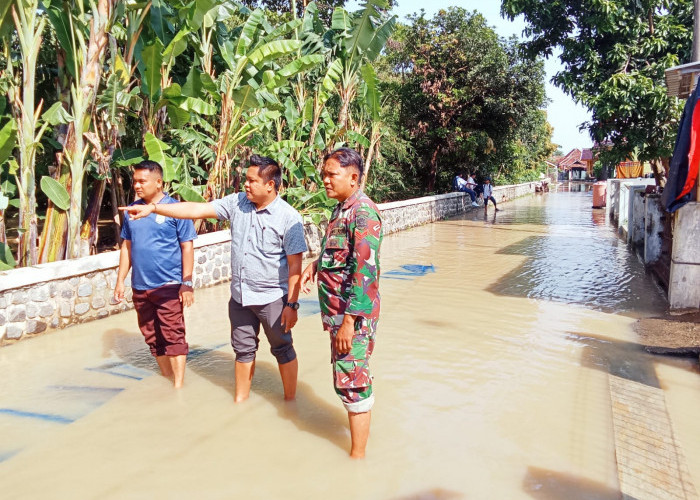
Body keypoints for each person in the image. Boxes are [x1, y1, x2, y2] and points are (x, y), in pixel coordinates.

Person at [120, 155, 307, 402]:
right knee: (242, 350)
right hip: (240, 297)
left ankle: (290, 401)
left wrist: (291, 305)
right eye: (246, 180)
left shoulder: (288, 217)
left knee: (282, 348)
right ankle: (240, 402)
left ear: (270, 185)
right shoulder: (237, 203)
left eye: (252, 181)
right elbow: (197, 209)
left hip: (272, 298)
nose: (246, 186)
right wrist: (154, 208)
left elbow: (296, 266)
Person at [300, 147, 382, 459]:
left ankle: (357, 458)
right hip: (339, 315)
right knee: (346, 375)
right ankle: (358, 447)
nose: (325, 180)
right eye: (324, 174)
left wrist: (349, 322)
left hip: (352, 317)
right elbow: (341, 254)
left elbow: (365, 273)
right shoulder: (341, 210)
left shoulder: (362, 213)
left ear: (353, 177)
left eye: (331, 174)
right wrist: (317, 265)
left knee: (353, 379)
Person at [114, 160, 197, 388]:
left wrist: (186, 283)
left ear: (158, 182)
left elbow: (187, 246)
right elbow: (127, 247)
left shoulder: (175, 210)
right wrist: (120, 281)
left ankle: (179, 386)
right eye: (135, 181)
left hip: (169, 285)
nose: (137, 186)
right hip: (140, 287)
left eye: (143, 181)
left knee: (173, 334)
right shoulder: (132, 210)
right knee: (151, 335)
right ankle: (166, 377)